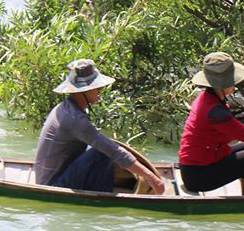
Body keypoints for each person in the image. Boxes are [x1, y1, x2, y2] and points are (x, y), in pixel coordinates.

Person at [34, 59, 165, 195]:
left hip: (55, 177)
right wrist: (152, 178)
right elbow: (113, 151)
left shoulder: (67, 108)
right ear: (83, 91)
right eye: (96, 88)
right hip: (52, 186)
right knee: (102, 152)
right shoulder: (75, 119)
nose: (100, 90)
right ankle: (104, 196)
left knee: (103, 149)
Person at [178, 52, 244, 195]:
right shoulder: (215, 110)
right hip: (197, 176)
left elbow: (232, 134)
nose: (235, 83)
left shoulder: (207, 98)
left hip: (194, 167)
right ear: (222, 84)